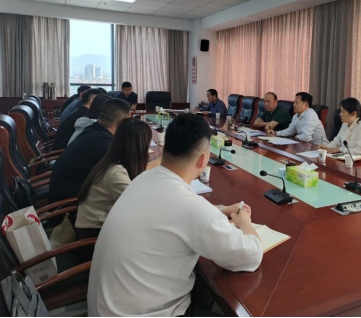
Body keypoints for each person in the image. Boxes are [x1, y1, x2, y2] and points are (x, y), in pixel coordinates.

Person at [88, 113, 263, 316]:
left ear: (165, 149)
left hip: (106, 308)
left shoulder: (143, 179)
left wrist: (222, 210)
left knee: (205, 276)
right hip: (144, 313)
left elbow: (171, 212)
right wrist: (245, 223)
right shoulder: (191, 208)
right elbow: (250, 256)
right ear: (203, 159)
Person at [75, 118, 151, 240]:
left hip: (99, 230)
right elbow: (142, 208)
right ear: (140, 146)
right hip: (94, 238)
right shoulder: (115, 174)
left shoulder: (110, 163)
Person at [49, 99, 131, 204]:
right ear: (120, 124)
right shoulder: (102, 143)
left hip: (68, 192)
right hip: (70, 204)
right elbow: (120, 177)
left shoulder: (92, 131)